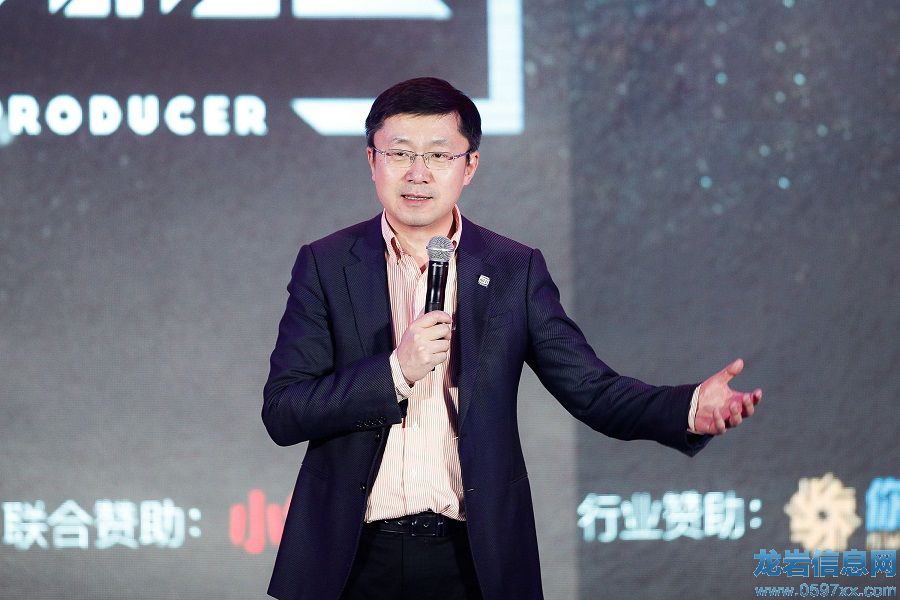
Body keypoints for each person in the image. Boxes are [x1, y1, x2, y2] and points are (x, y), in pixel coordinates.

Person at [262, 77, 762, 600]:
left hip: (475, 560)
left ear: (469, 166)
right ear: (372, 160)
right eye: (400, 153)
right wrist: (394, 373)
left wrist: (687, 408)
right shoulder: (326, 264)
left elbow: (591, 390)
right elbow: (284, 409)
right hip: (351, 560)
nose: (418, 173)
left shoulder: (512, 270)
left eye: (439, 155)